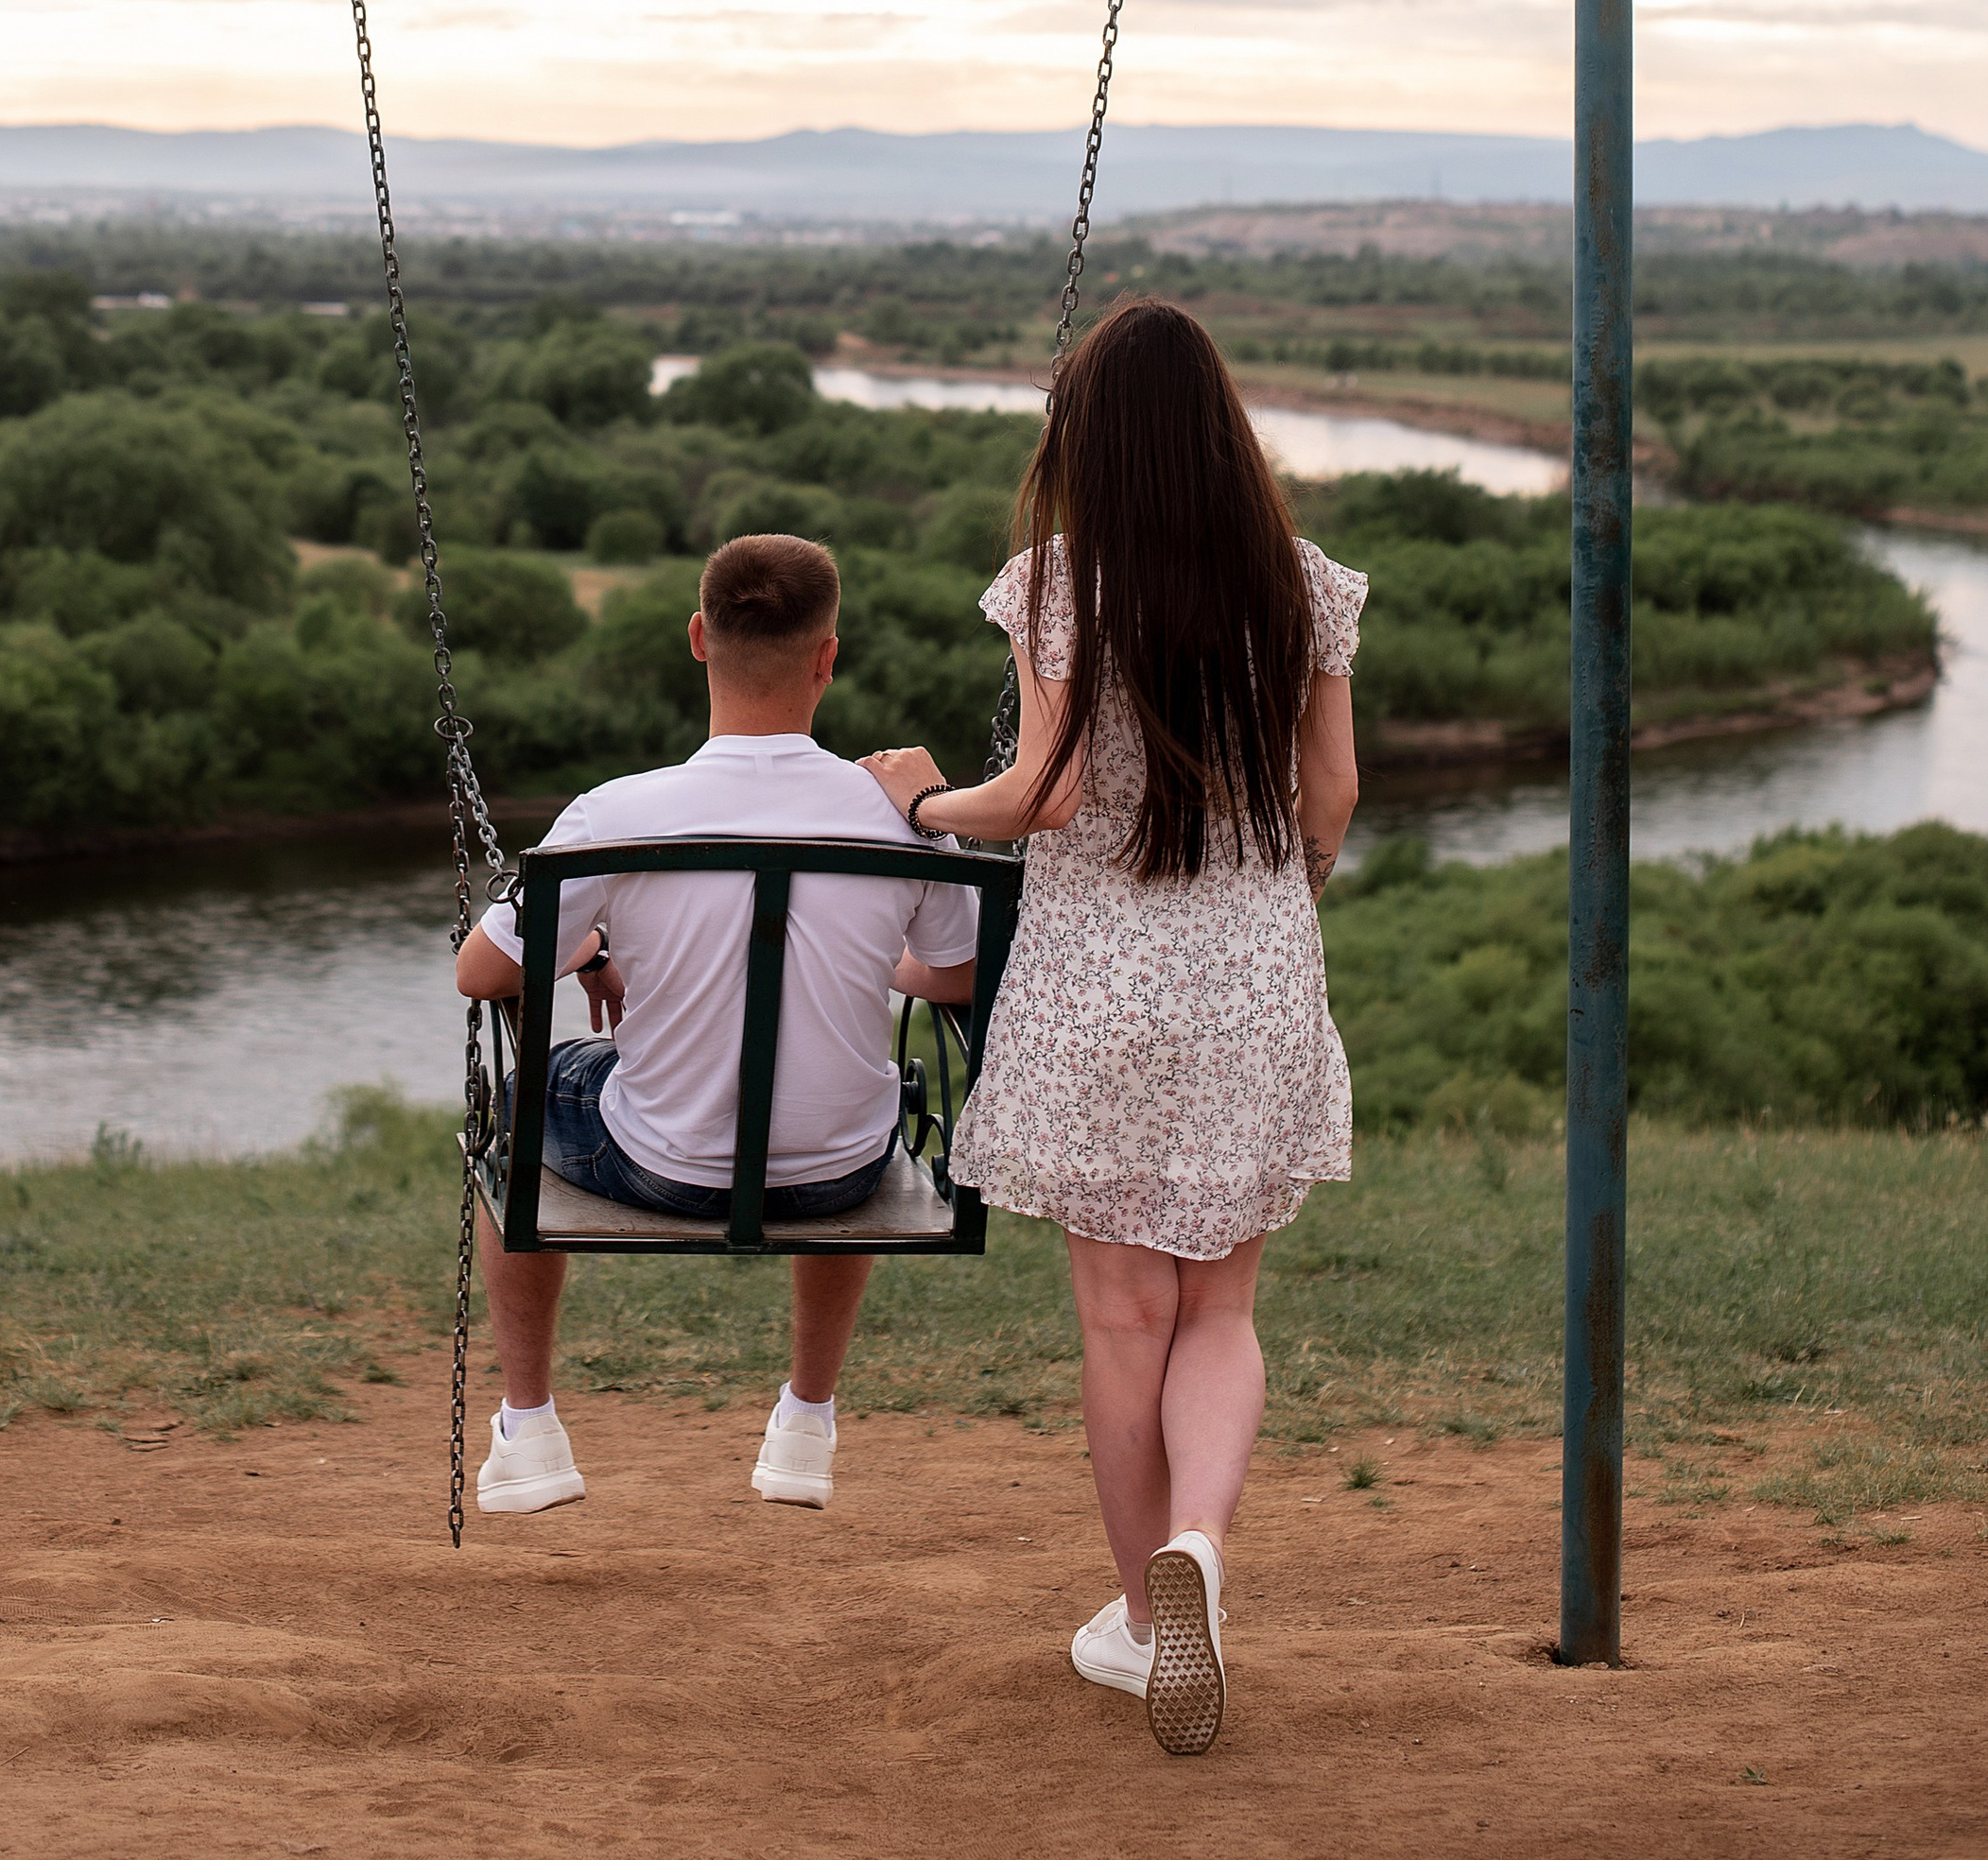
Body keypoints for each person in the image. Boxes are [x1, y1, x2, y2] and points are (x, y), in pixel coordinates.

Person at [860, 298, 1363, 1758]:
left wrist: (922, 800)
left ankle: (1143, 1629)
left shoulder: (1058, 584)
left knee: (1122, 1317)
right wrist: (1275, 903)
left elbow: (1049, 797)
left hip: (1100, 989)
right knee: (1222, 1309)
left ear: (1090, 441)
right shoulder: (1307, 586)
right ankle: (1197, 1546)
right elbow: (1328, 799)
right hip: (1257, 975)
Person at [456, 528, 979, 1517]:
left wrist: (592, 943)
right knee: (851, 1082)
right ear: (828, 656)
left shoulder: (618, 810)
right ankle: (806, 1419)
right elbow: (952, 979)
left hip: (663, 1162)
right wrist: (869, 958)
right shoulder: (902, 813)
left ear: (699, 636)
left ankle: (528, 1427)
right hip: (844, 1170)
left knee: (528, 1097)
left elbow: (480, 971)